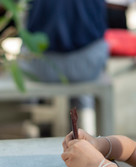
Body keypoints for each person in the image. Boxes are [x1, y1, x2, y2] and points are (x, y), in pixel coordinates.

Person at [19, 0, 109, 135]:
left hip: (42, 67)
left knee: (26, 49)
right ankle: (83, 125)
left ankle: (36, 115)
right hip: (86, 66)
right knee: (96, 45)